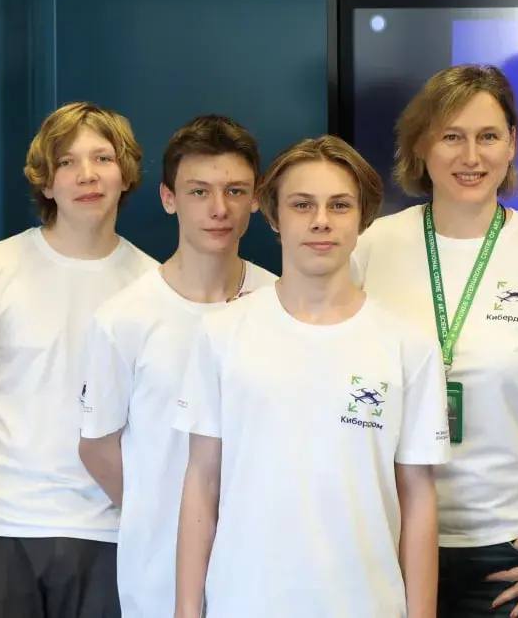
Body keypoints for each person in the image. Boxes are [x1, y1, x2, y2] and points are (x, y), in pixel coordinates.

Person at [353, 64, 518, 618]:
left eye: (488, 136)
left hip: (512, 552)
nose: (471, 156)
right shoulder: (372, 246)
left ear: (511, 144)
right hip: (387, 538)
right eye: (452, 136)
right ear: (421, 145)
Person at [174, 135, 449, 618]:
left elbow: (419, 498)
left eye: (339, 205)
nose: (321, 220)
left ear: (362, 218)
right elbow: (201, 481)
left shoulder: (409, 345)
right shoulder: (221, 334)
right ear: (274, 216)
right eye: (302, 205)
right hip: (244, 603)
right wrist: (185, 610)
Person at [0, 102, 156, 618]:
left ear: (125, 174)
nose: (87, 174)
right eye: (67, 162)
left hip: (109, 532)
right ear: (46, 182)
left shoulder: (154, 287)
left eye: (102, 158)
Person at [78, 115, 276, 618]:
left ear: (256, 198)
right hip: (158, 580)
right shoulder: (124, 317)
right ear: (169, 198)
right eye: (198, 192)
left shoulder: (282, 304)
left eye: (235, 191)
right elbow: (97, 446)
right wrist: (159, 514)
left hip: (266, 572)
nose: (219, 209)